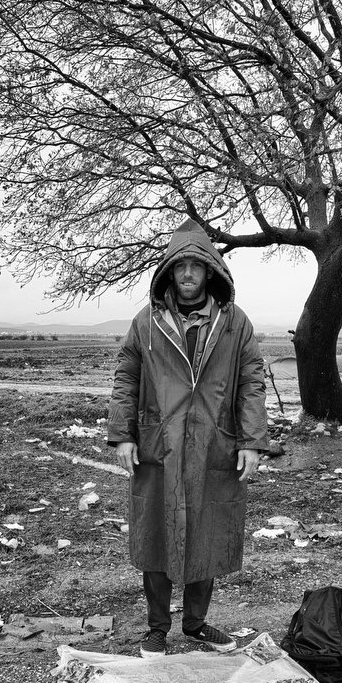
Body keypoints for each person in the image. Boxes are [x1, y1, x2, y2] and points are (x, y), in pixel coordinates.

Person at [107, 218, 268, 658]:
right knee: (158, 535)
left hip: (215, 444)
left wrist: (251, 439)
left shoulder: (235, 323)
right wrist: (123, 434)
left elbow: (252, 380)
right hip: (160, 444)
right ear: (169, 272)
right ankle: (158, 627)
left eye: (197, 267)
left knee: (206, 534)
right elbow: (126, 376)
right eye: (180, 268)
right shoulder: (147, 323)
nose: (188, 275)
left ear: (211, 270)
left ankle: (196, 624)